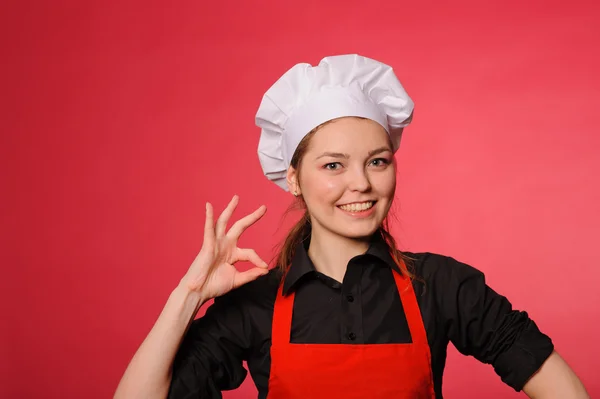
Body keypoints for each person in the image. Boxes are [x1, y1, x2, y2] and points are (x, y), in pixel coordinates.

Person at [114, 55, 589, 399]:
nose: (361, 184)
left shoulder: (443, 287)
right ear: (294, 179)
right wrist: (191, 292)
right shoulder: (256, 304)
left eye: (377, 161)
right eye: (334, 165)